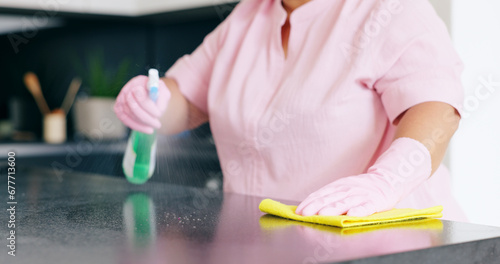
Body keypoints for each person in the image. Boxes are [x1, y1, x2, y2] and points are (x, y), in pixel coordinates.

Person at [114, 0, 467, 221]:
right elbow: (187, 101)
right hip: (271, 240)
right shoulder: (247, 17)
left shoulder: (388, 9)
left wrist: (386, 181)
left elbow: (436, 109)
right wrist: (154, 101)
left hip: (389, 244)